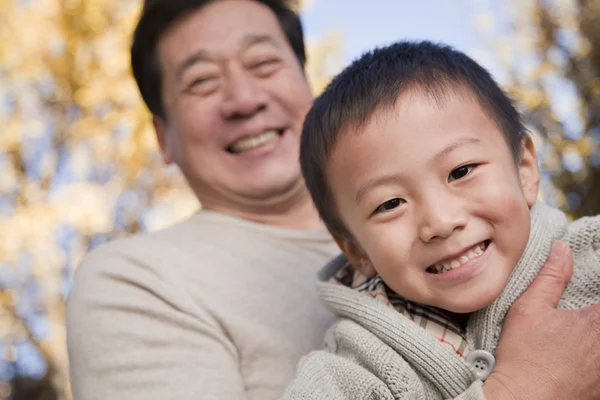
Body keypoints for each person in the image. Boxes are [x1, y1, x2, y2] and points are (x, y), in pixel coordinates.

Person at [64, 1, 600, 399]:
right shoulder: (135, 281)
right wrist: (529, 386)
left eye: (264, 63)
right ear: (162, 136)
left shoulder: (568, 248)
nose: (245, 99)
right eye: (202, 82)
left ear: (306, 80)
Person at [284, 40, 600, 399]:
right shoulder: (347, 372)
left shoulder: (593, 258)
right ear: (356, 250)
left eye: (461, 170)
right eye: (389, 204)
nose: (440, 222)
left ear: (524, 168)